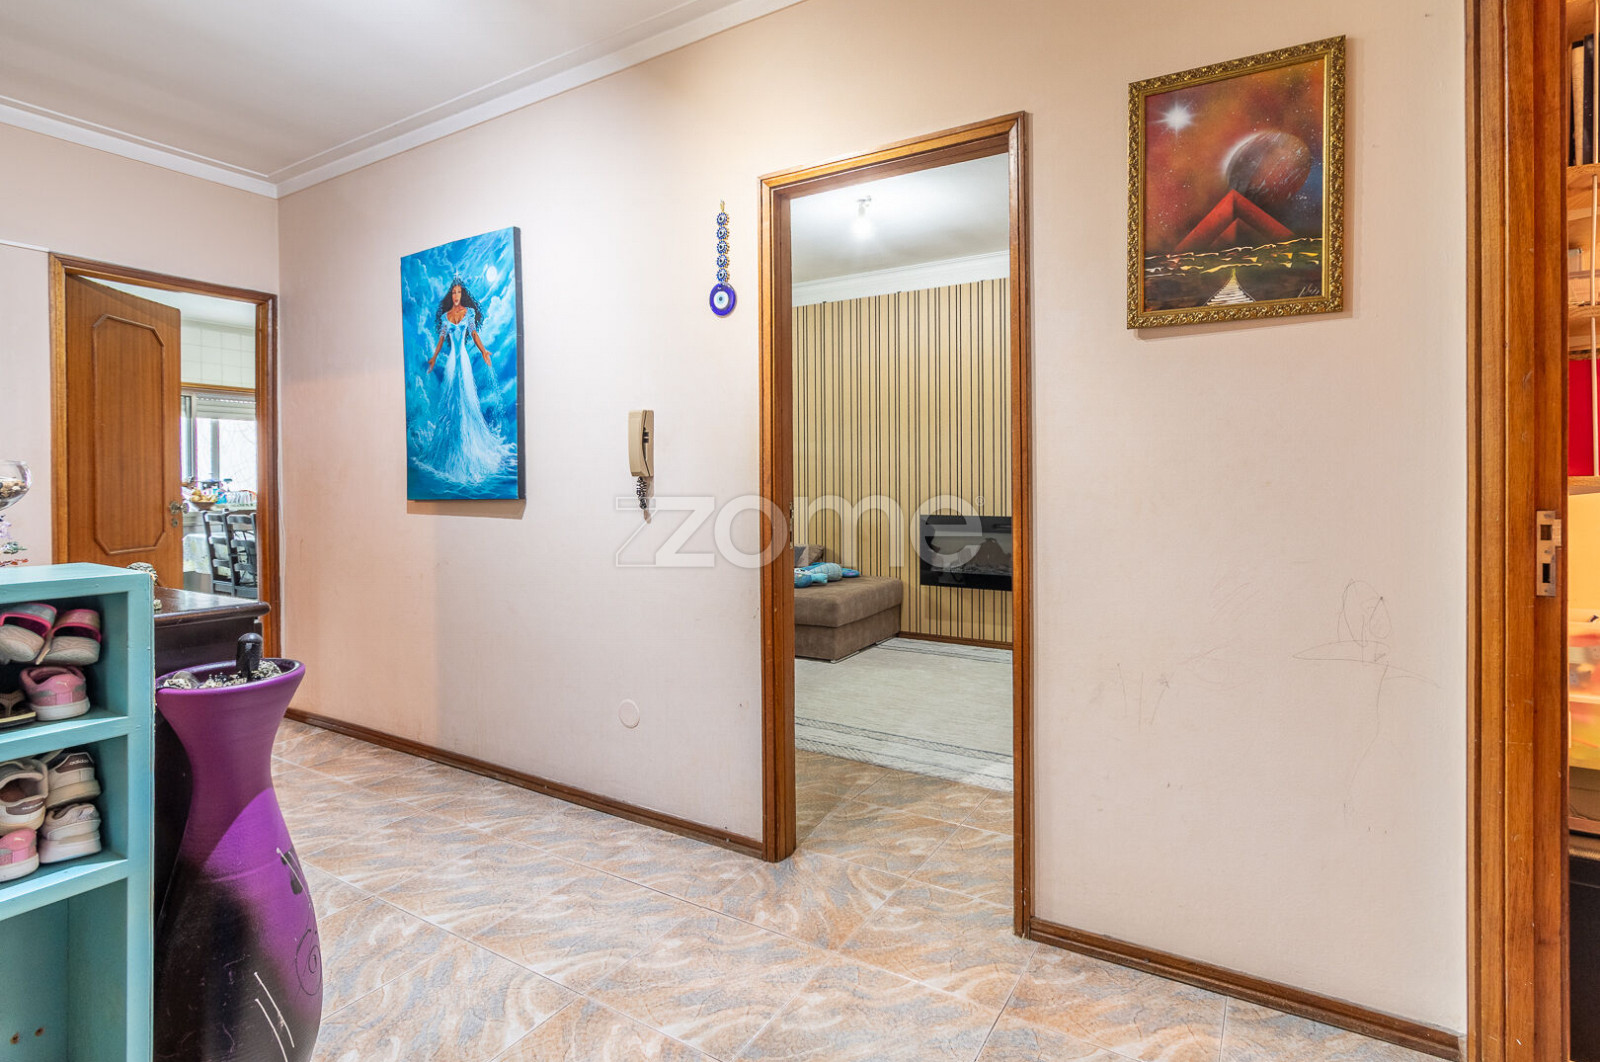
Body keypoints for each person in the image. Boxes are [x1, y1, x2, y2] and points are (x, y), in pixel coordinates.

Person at [418, 278, 510, 484]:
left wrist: (484, 351)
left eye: (459, 292)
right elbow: (442, 339)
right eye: (453, 293)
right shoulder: (445, 317)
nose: (456, 296)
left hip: (464, 362)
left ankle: (468, 446)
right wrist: (434, 357)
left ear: (462, 294)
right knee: (451, 402)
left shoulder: (468, 313)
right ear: (450, 296)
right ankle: (450, 448)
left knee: (465, 400)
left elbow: (474, 334)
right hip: (452, 362)